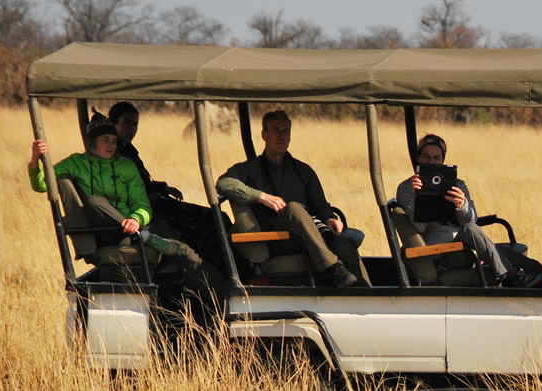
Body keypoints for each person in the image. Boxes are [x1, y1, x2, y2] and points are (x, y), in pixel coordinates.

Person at [28, 116, 226, 304]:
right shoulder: (76, 163)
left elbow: (142, 203)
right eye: (105, 140)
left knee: (183, 250)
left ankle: (224, 298)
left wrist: (136, 219)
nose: (111, 145)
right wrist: (36, 161)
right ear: (92, 142)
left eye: (114, 140)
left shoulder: (126, 166)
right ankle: (144, 236)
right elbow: (42, 185)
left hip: (133, 228)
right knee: (94, 201)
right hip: (105, 231)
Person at [216, 110, 369, 289]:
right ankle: (331, 268)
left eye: (286, 131)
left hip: (310, 236)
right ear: (264, 134)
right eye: (276, 130)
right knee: (294, 208)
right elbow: (223, 183)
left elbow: (321, 205)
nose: (281, 136)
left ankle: (371, 299)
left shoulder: (303, 171)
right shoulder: (250, 168)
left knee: (344, 246)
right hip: (276, 238)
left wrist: (329, 218)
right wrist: (261, 197)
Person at [395, 133, 542, 288]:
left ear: (443, 160)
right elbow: (419, 227)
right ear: (418, 158)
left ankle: (512, 272)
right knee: (471, 229)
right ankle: (508, 274)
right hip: (435, 245)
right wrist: (418, 197)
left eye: (436, 158)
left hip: (463, 239)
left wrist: (461, 204)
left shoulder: (456, 184)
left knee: (532, 266)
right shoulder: (406, 188)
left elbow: (470, 218)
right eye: (426, 157)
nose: (431, 162)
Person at [107, 101, 232, 275]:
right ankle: (212, 274)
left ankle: (223, 269)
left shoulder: (128, 149)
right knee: (203, 227)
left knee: (218, 218)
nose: (131, 129)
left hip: (156, 204)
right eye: (126, 123)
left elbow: (142, 182)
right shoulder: (112, 153)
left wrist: (163, 188)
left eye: (135, 124)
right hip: (148, 212)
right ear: (112, 123)